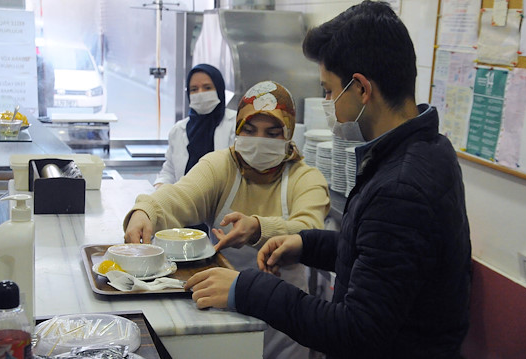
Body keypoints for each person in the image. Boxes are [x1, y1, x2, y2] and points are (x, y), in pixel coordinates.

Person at [184, 2, 472, 359]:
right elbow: (379, 255)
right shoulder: (429, 148)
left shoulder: (400, 189)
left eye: (329, 90)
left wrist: (246, 289)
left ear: (362, 89)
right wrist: (306, 244)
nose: (327, 104)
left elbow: (355, 331)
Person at [123, 80, 330, 359]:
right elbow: (181, 195)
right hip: (221, 309)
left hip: (284, 321)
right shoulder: (221, 166)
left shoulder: (305, 178)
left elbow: (310, 230)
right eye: (250, 130)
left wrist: (258, 228)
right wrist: (145, 210)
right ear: (238, 129)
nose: (260, 140)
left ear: (289, 134)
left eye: (272, 132)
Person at [154, 64, 236, 188]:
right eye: (194, 89)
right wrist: (160, 187)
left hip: (222, 203)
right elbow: (169, 171)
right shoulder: (178, 130)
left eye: (207, 87)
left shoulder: (236, 124)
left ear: (219, 89)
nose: (200, 93)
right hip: (185, 202)